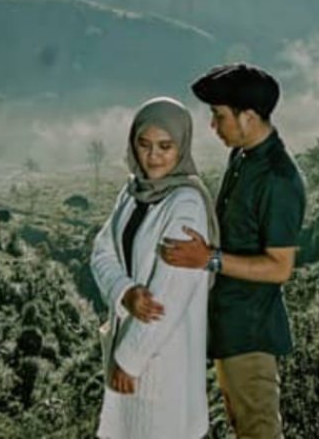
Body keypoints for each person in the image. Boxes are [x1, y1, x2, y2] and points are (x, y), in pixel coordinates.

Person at [161, 63, 306, 439]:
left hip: (252, 335)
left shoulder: (279, 178)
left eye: (219, 116)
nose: (213, 126)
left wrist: (208, 258)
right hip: (228, 329)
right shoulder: (241, 158)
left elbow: (280, 267)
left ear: (249, 117)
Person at [90, 97, 218, 439]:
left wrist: (130, 359)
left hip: (161, 358)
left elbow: (170, 294)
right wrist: (125, 292)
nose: (153, 156)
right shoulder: (131, 193)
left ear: (182, 146)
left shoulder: (186, 204)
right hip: (128, 346)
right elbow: (101, 251)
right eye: (144, 145)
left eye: (165, 146)